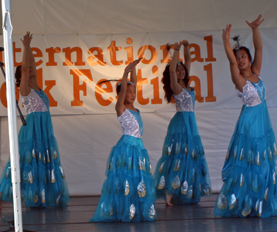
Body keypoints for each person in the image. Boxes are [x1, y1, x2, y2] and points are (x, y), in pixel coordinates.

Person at [213, 15, 277, 218]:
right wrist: (226, 42)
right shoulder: (240, 81)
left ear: (249, 59)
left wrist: (254, 29)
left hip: (262, 125)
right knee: (251, 163)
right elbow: (231, 62)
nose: (241, 59)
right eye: (238, 57)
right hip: (250, 125)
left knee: (262, 164)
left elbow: (260, 49)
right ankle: (245, 203)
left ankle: (260, 202)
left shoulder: (257, 73)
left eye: (243, 56)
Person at [0, 32, 70, 209]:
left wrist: (29, 47)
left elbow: (32, 65)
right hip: (32, 130)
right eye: (25, 72)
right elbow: (27, 66)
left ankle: (41, 195)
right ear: (20, 78)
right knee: (20, 163)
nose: (30, 71)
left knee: (44, 161)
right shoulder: (25, 89)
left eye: (31, 70)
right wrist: (25, 48)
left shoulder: (39, 88)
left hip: (45, 130)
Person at [90, 59, 156, 222]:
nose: (132, 94)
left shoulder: (134, 107)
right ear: (121, 94)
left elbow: (133, 83)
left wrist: (134, 70)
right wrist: (125, 72)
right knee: (126, 180)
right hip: (127, 148)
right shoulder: (121, 107)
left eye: (134, 92)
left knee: (137, 179)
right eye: (128, 92)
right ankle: (124, 210)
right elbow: (125, 88)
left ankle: (135, 209)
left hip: (138, 148)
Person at [153, 41, 211, 206]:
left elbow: (188, 61)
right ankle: (169, 194)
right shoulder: (176, 86)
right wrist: (176, 51)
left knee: (189, 157)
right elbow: (172, 70)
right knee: (178, 157)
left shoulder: (187, 84)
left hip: (190, 123)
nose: (180, 71)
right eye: (177, 70)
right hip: (181, 123)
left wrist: (186, 47)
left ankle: (186, 191)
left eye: (182, 69)